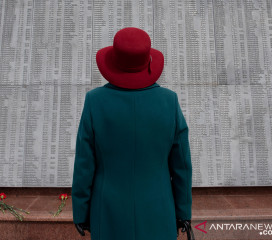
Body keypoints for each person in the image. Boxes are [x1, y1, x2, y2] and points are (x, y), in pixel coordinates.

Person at [72, 27, 192, 240]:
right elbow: (181, 165)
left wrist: (81, 212)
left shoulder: (95, 101)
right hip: (158, 211)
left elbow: (84, 163)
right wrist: (183, 212)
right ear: (148, 61)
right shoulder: (169, 102)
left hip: (108, 212)